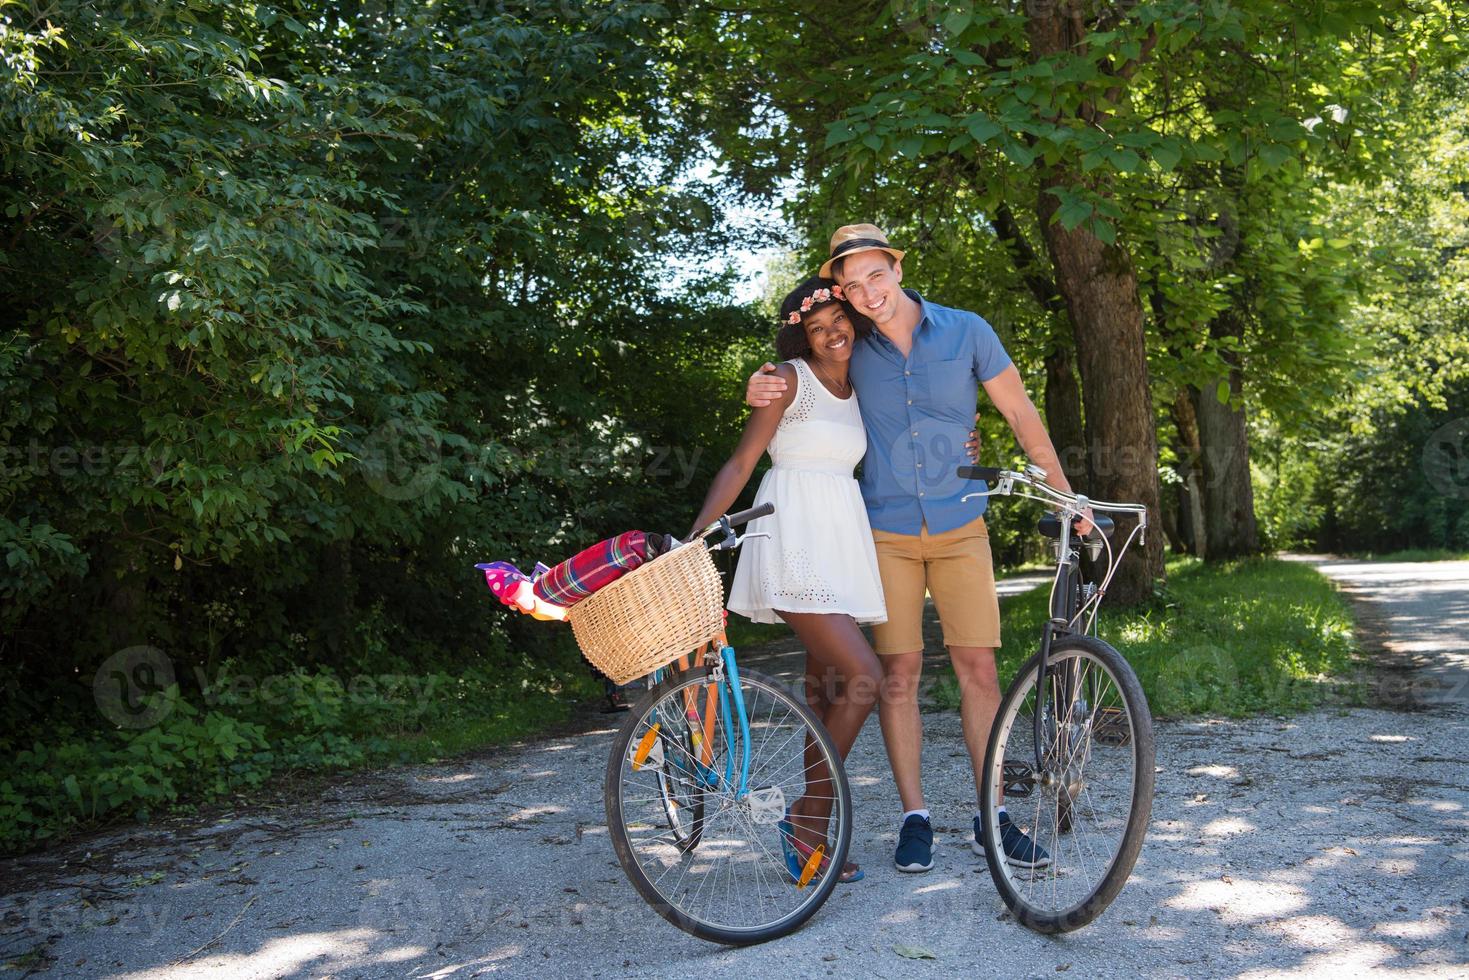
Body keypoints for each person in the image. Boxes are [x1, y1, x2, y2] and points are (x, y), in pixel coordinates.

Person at [745, 223, 1091, 873]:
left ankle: (992, 816)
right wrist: (759, 384)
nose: (866, 292)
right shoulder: (849, 350)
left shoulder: (967, 331)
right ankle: (914, 816)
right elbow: (794, 380)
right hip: (884, 532)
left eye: (874, 275)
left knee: (978, 672)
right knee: (896, 677)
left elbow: (1019, 415)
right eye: (851, 285)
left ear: (896, 269)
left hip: (962, 526)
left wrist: (1066, 495)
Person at [688, 276, 886, 883]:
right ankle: (808, 816)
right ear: (801, 334)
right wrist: (696, 537)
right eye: (817, 328)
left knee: (828, 688)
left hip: (842, 540)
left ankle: (810, 834)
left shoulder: (863, 385)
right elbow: (742, 461)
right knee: (865, 678)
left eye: (838, 322)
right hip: (793, 538)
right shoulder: (788, 379)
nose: (832, 335)